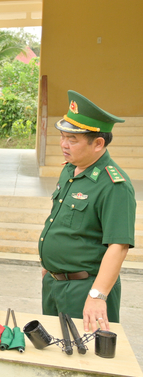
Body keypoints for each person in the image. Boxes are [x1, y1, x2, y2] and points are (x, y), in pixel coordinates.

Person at [39, 90, 136, 332]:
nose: (63, 144)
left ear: (98, 144)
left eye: (72, 140)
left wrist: (97, 295)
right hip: (54, 284)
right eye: (62, 136)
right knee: (54, 353)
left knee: (85, 359)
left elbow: (118, 245)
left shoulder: (114, 185)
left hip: (85, 290)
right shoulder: (70, 170)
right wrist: (48, 265)